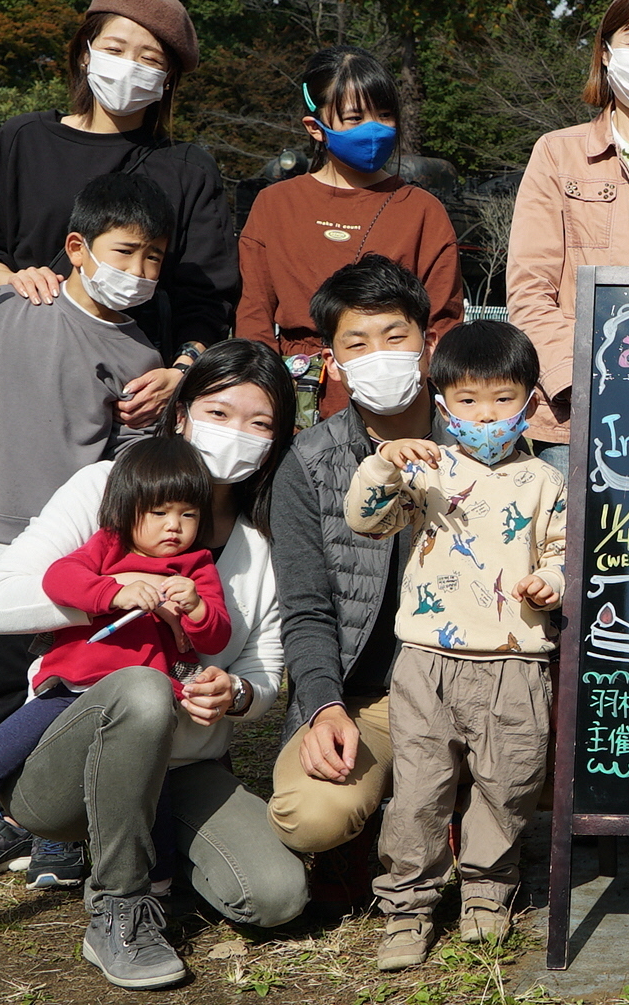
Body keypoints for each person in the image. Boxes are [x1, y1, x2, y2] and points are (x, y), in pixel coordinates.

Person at [0, 339, 304, 990]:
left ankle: (140, 837)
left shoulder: (259, 545)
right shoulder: (104, 488)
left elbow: (265, 671)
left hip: (185, 764)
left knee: (276, 896)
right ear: (179, 415)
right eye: (219, 412)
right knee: (145, 689)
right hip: (66, 758)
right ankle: (119, 908)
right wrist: (115, 591)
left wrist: (236, 694)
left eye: (260, 424)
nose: (236, 436)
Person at [0, 176, 174, 885]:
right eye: (125, 252)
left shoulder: (143, 357)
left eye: (154, 259)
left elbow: (124, 474)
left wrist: (145, 431)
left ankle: (54, 830)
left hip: (72, 560)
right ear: (77, 248)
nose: (138, 274)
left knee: (62, 688)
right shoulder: (8, 305)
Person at [0, 437, 228, 885]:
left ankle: (158, 883)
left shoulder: (196, 568)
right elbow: (60, 577)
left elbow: (217, 632)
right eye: (159, 513)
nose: (174, 527)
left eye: (188, 514)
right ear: (126, 509)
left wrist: (195, 608)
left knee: (150, 795)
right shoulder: (106, 546)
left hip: (144, 708)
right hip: (70, 690)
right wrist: (114, 591)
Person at [343, 319, 567, 969]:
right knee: (418, 790)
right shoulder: (427, 468)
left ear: (529, 401)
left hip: (515, 662)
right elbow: (367, 521)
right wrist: (382, 464)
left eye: (502, 398)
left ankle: (487, 894)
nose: (485, 414)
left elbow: (564, 554)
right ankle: (407, 908)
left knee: (509, 784)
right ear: (443, 404)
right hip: (425, 664)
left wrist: (551, 582)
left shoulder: (547, 482)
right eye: (467, 401)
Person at [0, 0, 234, 418]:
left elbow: (208, 299)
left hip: (133, 392)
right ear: (85, 53)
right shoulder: (24, 140)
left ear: (167, 79)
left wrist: (179, 374)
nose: (129, 65)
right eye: (115, 49)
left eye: (149, 58)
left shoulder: (189, 168)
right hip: (24, 375)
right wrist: (13, 278)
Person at [267, 256, 441, 883]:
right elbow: (306, 608)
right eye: (356, 343)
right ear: (333, 363)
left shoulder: (486, 441)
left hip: (473, 683)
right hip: (372, 698)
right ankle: (394, 805)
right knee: (311, 815)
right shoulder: (309, 464)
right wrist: (322, 706)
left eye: (396, 336)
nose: (380, 355)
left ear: (428, 343)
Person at [507, 0, 629, 475]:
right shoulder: (556, 152)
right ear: (608, 53)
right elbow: (530, 289)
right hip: (572, 418)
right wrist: (576, 378)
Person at [237, 45, 464, 420]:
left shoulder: (423, 209)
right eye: (354, 118)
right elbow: (253, 319)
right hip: (302, 401)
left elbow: (444, 323)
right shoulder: (274, 205)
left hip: (401, 403)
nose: (374, 129)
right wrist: (264, 398)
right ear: (316, 128)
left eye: (385, 114)